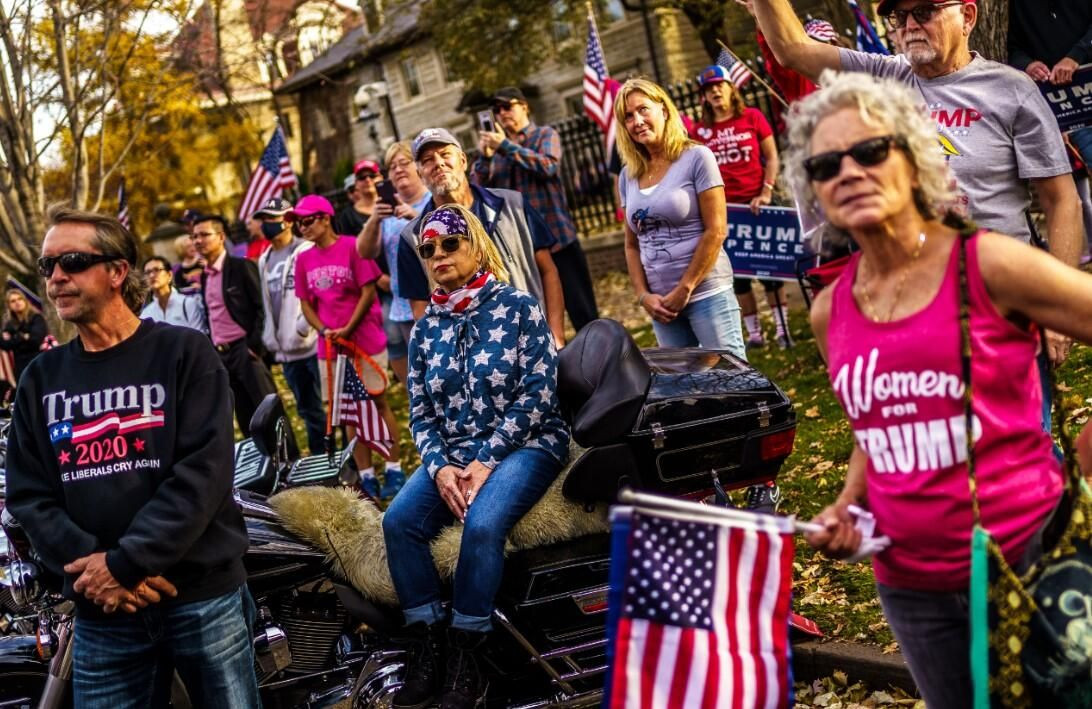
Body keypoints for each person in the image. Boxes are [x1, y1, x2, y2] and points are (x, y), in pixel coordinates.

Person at [781, 70, 1092, 709]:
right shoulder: (829, 311)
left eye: (870, 151)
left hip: (1025, 562)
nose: (849, 171)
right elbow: (876, 426)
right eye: (826, 163)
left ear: (914, 155)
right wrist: (849, 504)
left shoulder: (988, 263)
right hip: (909, 589)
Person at [5, 206, 258, 707]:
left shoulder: (185, 353)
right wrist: (98, 575)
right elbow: (30, 494)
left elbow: (203, 474)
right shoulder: (41, 377)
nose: (56, 278)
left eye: (72, 261)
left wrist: (124, 563)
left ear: (119, 271)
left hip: (200, 596)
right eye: (47, 266)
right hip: (101, 611)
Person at [752, 0, 1083, 366]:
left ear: (967, 17)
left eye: (924, 12)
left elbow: (1061, 201)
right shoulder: (884, 79)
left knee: (1020, 421)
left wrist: (1056, 316)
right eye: (900, 17)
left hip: (1000, 300)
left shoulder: (1012, 90)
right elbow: (793, 50)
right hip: (912, 307)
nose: (909, 25)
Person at [382, 204, 569, 709]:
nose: (439, 254)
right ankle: (429, 644)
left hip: (527, 444)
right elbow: (420, 413)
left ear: (475, 245)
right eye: (428, 249)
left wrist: (485, 462)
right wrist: (440, 467)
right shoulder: (426, 329)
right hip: (454, 456)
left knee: (483, 525)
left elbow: (539, 395)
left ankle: (469, 653)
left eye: (450, 243)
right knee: (398, 522)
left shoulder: (518, 307)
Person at [395, 127, 566, 347]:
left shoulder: (513, 205)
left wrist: (556, 335)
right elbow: (420, 311)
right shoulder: (414, 238)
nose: (438, 163)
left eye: (445, 154)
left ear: (463, 160)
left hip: (535, 342)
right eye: (427, 160)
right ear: (420, 174)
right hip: (474, 364)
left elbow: (548, 271)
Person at [614, 78, 742, 358]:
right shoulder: (628, 175)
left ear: (663, 109)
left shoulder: (697, 157)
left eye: (643, 110)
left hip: (706, 292)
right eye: (628, 117)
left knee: (732, 381)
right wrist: (643, 296)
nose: (637, 121)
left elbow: (717, 231)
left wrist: (686, 287)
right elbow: (632, 245)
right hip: (662, 307)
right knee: (685, 391)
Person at [290, 194, 405, 501]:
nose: (301, 228)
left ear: (325, 218)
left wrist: (349, 327)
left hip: (364, 340)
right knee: (349, 414)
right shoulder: (303, 258)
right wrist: (324, 330)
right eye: (298, 224)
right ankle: (366, 476)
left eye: (306, 220)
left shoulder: (353, 246)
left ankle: (394, 467)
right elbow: (305, 302)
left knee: (377, 404)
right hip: (331, 349)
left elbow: (368, 291)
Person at [472, 86, 600, 332]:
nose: (502, 113)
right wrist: (486, 157)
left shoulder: (544, 134)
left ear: (524, 106)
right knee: (535, 320)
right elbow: (476, 191)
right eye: (497, 110)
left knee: (584, 313)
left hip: (558, 241)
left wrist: (506, 147)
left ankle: (602, 364)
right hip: (521, 250)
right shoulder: (494, 152)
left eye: (507, 106)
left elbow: (548, 166)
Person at [689, 64, 792, 350]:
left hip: (758, 206)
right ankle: (755, 334)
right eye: (709, 89)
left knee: (770, 273)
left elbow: (772, 157)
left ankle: (782, 329)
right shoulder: (701, 132)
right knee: (739, 277)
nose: (715, 92)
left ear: (731, 88)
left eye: (719, 85)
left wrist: (767, 191)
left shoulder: (753, 117)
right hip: (725, 214)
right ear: (704, 97)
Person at [254, 197, 326, 456]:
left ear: (287, 221)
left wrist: (303, 326)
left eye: (271, 220)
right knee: (306, 409)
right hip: (285, 350)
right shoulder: (264, 259)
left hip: (309, 344)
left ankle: (336, 458)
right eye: (264, 220)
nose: (266, 225)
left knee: (326, 406)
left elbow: (316, 294)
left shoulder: (305, 250)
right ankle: (319, 458)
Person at [357, 140, 432, 387]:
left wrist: (414, 216)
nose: (398, 169)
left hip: (436, 303)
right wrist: (375, 220)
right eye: (392, 166)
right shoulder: (387, 212)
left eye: (404, 163)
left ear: (419, 167)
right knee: (418, 382)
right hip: (402, 307)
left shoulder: (433, 201)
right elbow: (364, 252)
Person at [194, 214, 276, 436]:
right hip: (222, 354)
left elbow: (262, 307)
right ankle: (261, 467)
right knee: (245, 417)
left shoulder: (241, 267)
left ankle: (287, 463)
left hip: (246, 349)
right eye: (194, 236)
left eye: (204, 235)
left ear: (221, 237)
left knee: (268, 412)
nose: (197, 241)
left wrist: (255, 345)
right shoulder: (204, 276)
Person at [1008, 0, 1092, 168]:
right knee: (1068, 174)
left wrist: (1076, 56)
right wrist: (1028, 65)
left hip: (1086, 88)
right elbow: (1014, 49)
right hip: (1059, 107)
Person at [139, 256, 207, 333]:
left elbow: (199, 336)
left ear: (170, 275)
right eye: (147, 272)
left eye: (157, 270)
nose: (152, 275)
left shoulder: (187, 304)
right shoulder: (146, 314)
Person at [0, 288, 48, 383]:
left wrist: (15, 338)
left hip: (39, 364)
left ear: (25, 301)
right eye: (13, 301)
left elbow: (36, 340)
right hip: (21, 368)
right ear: (9, 306)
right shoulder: (9, 325)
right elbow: (4, 345)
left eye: (20, 299)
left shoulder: (36, 318)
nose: (17, 303)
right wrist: (24, 336)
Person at [334, 159, 381, 237]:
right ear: (356, 183)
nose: (367, 180)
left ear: (380, 178)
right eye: (362, 177)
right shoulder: (347, 216)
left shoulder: (394, 201)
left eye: (372, 176)